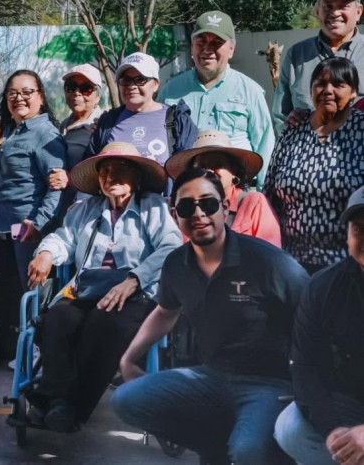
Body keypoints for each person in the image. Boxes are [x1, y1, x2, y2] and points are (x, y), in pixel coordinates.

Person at [111, 168, 309, 464]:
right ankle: (215, 447)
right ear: (174, 213)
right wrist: (128, 359)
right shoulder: (177, 264)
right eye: (187, 207)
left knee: (248, 452)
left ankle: (254, 445)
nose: (199, 213)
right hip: (212, 375)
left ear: (225, 207)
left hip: (269, 384)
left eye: (209, 203)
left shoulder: (268, 262)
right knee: (127, 401)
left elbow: (313, 320)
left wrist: (305, 388)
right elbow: (165, 312)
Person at [26, 142, 181, 432]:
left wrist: (134, 279)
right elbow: (64, 238)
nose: (111, 177)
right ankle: (58, 402)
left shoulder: (154, 208)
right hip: (86, 289)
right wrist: (46, 253)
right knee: (58, 318)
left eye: (120, 169)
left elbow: (171, 249)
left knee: (105, 323)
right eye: (105, 171)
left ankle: (66, 405)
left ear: (136, 176)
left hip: (133, 293)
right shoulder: (86, 209)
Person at [274, 186, 364, 465]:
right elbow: (306, 367)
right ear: (347, 235)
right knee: (290, 428)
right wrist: (333, 429)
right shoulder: (324, 288)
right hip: (353, 400)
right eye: (359, 229)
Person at [264, 57, 364, 274]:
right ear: (311, 90)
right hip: (291, 263)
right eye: (320, 83)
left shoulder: (361, 131)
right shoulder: (294, 129)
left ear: (354, 92)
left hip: (347, 265)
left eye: (338, 85)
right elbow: (270, 190)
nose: (327, 90)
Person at [0, 69, 66, 357]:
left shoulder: (45, 134)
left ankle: (39, 356)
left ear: (41, 98)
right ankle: (21, 354)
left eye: (26, 92)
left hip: (29, 230)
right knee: (17, 295)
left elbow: (55, 187)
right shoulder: (11, 131)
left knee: (36, 296)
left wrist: (37, 223)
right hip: (5, 229)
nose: (19, 98)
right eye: (12, 93)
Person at [157, 11, 274, 188]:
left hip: (236, 190)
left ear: (231, 50)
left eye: (216, 43)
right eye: (201, 41)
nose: (207, 49)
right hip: (185, 191)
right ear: (192, 47)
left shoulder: (250, 91)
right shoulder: (170, 91)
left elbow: (265, 144)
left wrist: (263, 192)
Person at [273, 0, 364, 135]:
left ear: (358, 12)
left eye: (343, 6)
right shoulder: (297, 55)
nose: (335, 13)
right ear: (317, 11)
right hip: (308, 153)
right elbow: (281, 116)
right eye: (328, 6)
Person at [84, 52, 197, 174]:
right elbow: (90, 170)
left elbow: (188, 170)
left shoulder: (177, 119)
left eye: (140, 80)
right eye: (126, 80)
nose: (132, 86)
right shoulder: (108, 122)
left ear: (155, 85)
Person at [165, 129, 281, 247]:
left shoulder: (254, 202)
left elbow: (271, 254)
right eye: (202, 166)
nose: (209, 171)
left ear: (234, 171)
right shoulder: (182, 208)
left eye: (217, 164)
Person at [48, 64, 104, 210]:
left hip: (87, 210)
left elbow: (108, 172)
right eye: (71, 87)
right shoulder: (63, 125)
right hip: (58, 209)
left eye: (86, 88)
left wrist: (72, 178)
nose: (77, 93)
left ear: (97, 96)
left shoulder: (102, 127)